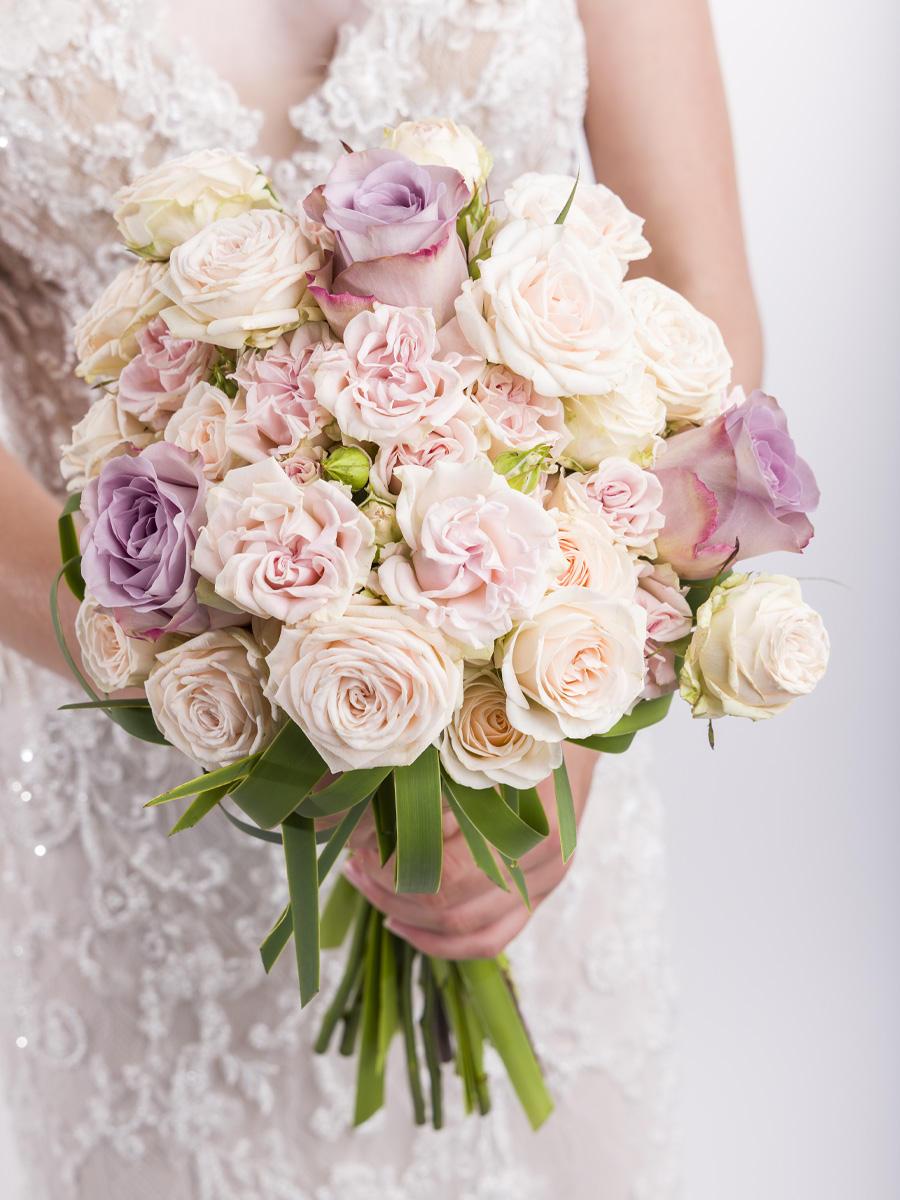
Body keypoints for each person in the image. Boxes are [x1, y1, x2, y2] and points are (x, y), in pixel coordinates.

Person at [0, 1, 761, 1196]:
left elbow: (708, 336)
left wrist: (557, 719)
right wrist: (243, 698)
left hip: (531, 768)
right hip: (152, 788)